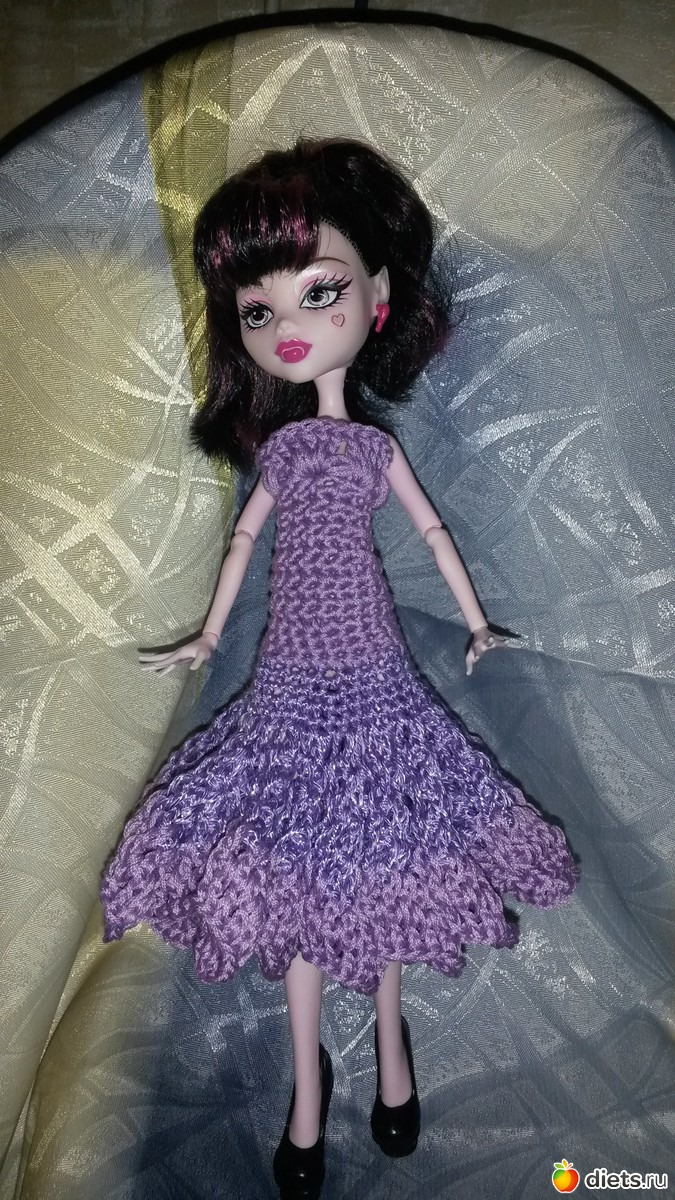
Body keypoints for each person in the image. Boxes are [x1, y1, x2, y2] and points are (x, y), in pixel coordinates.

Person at [99, 138, 579, 1200]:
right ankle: (307, 1091)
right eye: (257, 309)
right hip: (287, 680)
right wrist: (207, 637)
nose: (288, 326)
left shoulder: (369, 448)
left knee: (383, 854)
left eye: (318, 292)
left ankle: (392, 1044)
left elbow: (435, 533)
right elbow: (242, 545)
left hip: (370, 668)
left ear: (377, 299)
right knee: (300, 870)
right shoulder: (281, 453)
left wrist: (478, 621)